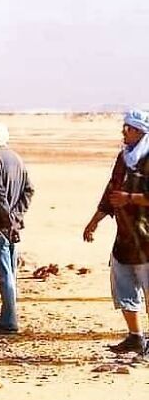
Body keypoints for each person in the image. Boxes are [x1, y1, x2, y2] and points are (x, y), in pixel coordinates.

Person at [83, 109, 149, 355]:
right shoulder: (123, 159)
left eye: (129, 128)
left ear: (140, 131)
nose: (124, 132)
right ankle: (135, 337)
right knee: (124, 287)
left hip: (146, 240)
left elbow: (124, 196)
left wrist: (130, 198)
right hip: (124, 239)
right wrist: (94, 221)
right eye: (124, 127)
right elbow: (110, 192)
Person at [0, 122, 34, 334]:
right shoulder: (17, 159)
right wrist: (17, 217)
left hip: (0, 226)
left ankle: (9, 322)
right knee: (11, 272)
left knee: (5, 274)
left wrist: (8, 220)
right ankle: (5, 315)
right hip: (13, 226)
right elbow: (29, 190)